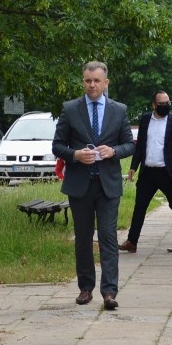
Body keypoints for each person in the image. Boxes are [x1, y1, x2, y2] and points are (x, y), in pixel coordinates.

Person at [52, 61, 134, 310]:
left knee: (109, 237)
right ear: (83, 81)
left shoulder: (118, 110)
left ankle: (109, 292)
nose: (92, 85)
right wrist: (75, 155)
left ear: (106, 82)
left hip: (107, 184)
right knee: (84, 238)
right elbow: (57, 145)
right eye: (88, 80)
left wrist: (114, 151)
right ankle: (85, 288)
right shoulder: (70, 109)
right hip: (80, 184)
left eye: (97, 81)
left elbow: (130, 144)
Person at [119, 90, 172, 254]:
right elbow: (140, 146)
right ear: (154, 104)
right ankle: (132, 241)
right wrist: (134, 166)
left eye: (168, 103)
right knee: (140, 206)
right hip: (148, 172)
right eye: (162, 104)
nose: (165, 106)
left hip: (167, 172)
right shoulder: (146, 119)